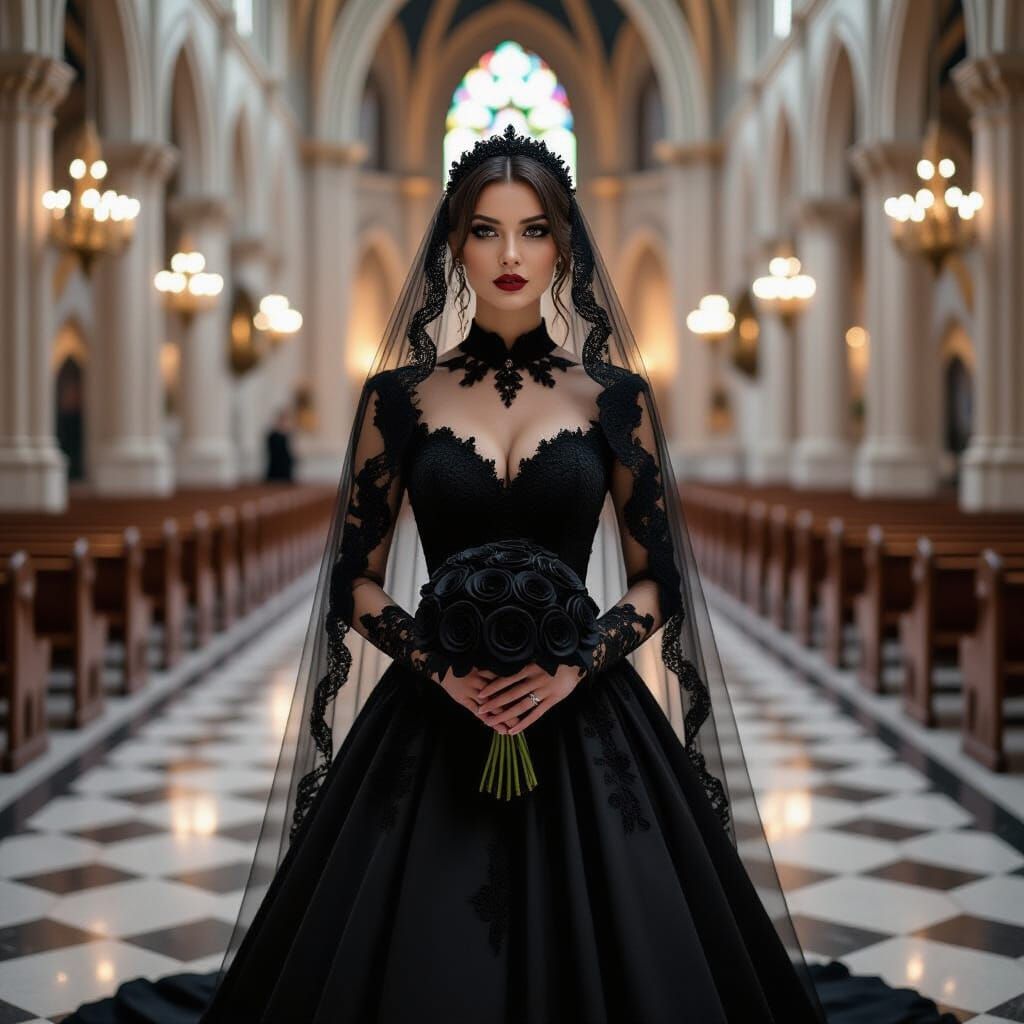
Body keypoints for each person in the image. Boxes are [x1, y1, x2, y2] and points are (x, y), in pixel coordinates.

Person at [64, 128, 959, 1024]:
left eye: (533, 231)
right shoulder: (396, 398)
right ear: (454, 246)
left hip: (583, 702)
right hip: (432, 706)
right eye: (486, 231)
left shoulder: (616, 397)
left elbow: (658, 579)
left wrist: (574, 665)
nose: (509, 255)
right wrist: (438, 667)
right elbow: (354, 579)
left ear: (563, 248)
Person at [264, 408, 295, 482]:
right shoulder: (272, 436)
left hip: (286, 473)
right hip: (276, 473)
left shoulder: (288, 435)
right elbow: (276, 454)